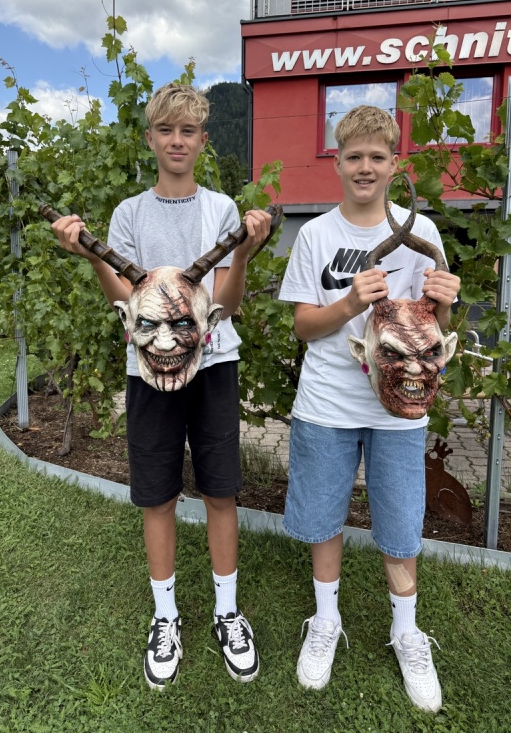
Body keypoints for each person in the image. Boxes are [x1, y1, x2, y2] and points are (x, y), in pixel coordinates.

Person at [50, 82, 271, 690]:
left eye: (188, 131)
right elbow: (127, 302)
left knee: (221, 489)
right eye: (166, 131)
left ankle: (227, 612)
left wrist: (243, 255)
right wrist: (93, 257)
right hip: (147, 370)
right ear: (150, 139)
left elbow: (227, 305)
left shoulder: (221, 211)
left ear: (203, 140)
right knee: (157, 495)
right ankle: (166, 617)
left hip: (215, 363)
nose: (177, 141)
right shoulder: (130, 214)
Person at [278, 105, 460, 712]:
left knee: (402, 521)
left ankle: (406, 632)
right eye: (353, 156)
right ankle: (325, 621)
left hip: (400, 410)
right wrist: (350, 303)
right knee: (323, 515)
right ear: (337, 162)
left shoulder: (422, 232)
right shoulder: (315, 235)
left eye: (377, 157)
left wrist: (447, 302)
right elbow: (304, 327)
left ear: (394, 164)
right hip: (327, 403)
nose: (365, 167)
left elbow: (435, 326)